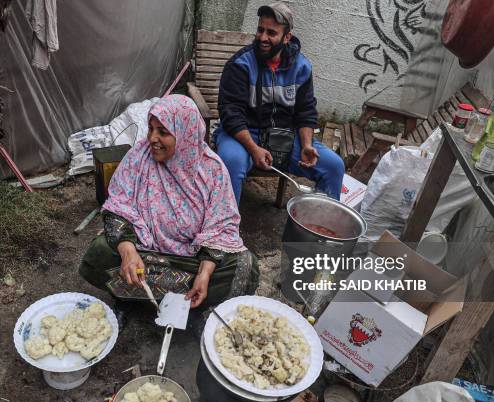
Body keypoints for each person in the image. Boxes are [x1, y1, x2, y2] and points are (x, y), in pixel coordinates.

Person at [78, 95, 258, 331]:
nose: (153, 138)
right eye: (151, 129)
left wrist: (204, 274)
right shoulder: (138, 158)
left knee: (245, 265)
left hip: (190, 260)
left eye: (163, 132)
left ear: (185, 134)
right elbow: (117, 207)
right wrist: (128, 252)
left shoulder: (212, 171)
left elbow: (221, 227)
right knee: (100, 251)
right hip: (144, 253)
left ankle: (186, 297)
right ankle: (127, 297)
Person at [214, 2, 345, 204]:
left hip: (283, 136)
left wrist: (307, 145)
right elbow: (230, 113)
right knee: (232, 161)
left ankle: (321, 228)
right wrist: (253, 148)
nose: (263, 37)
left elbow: (306, 112)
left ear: (287, 37)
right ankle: (224, 231)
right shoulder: (240, 64)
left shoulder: (301, 67)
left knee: (334, 166)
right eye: (260, 30)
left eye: (271, 33)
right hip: (244, 133)